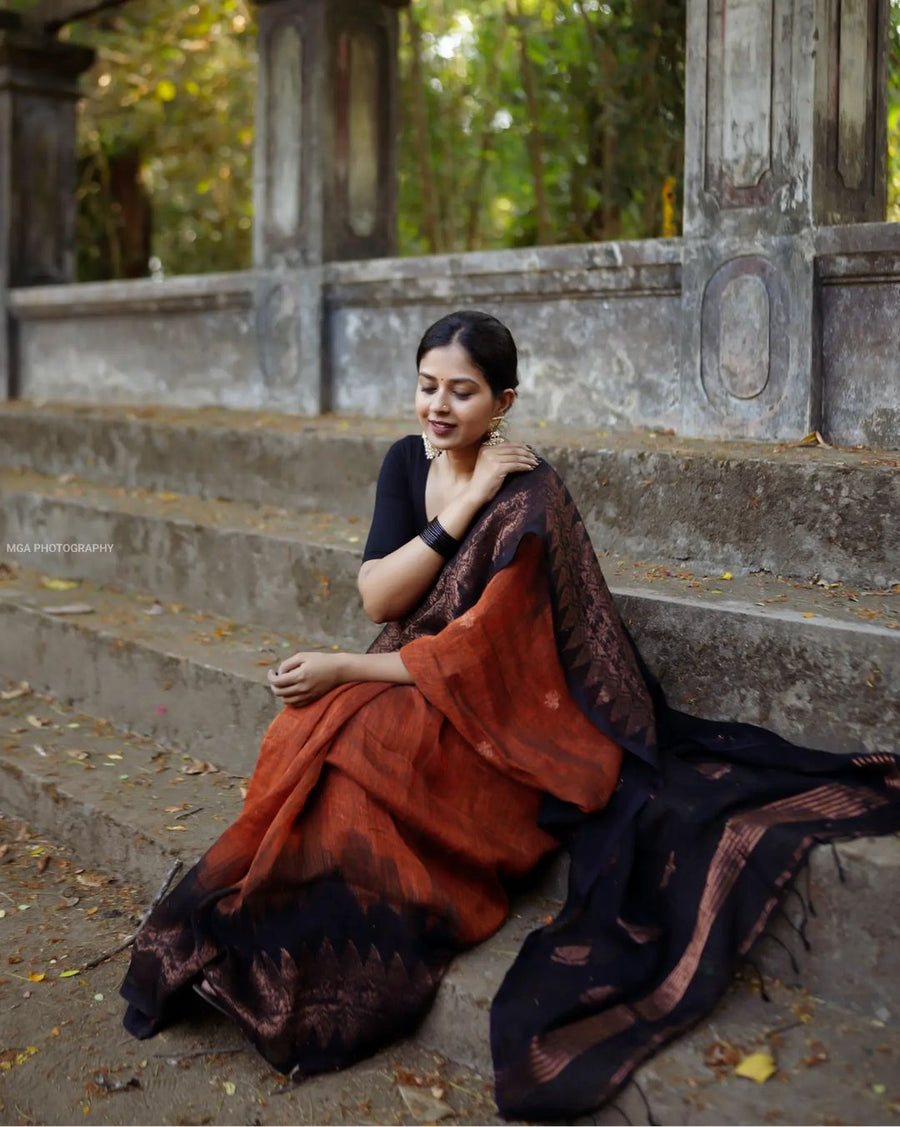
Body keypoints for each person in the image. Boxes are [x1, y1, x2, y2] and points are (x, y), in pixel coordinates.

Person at [119, 310, 900, 1122]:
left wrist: (346, 663)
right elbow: (380, 596)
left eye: (463, 391)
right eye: (427, 387)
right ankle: (273, 930)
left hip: (510, 723)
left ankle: (349, 961)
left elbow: (486, 657)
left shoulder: (533, 494)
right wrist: (461, 503)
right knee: (308, 732)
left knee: (355, 734)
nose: (439, 407)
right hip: (416, 675)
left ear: (504, 402)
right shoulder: (405, 462)